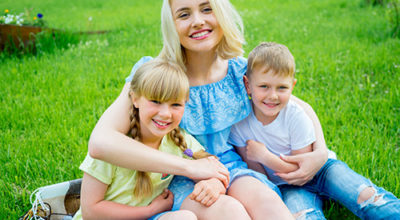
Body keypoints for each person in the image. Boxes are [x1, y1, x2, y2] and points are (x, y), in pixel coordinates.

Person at [88, 0, 328, 219]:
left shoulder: (240, 72)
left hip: (229, 167)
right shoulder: (157, 75)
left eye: (206, 9)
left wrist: (321, 152)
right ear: (171, 24)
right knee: (230, 213)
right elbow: (100, 142)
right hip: (173, 175)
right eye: (184, 14)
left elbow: (298, 106)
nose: (198, 21)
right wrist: (191, 167)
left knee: (268, 204)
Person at [229, 42, 400, 219]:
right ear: (248, 85)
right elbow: (261, 178)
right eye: (264, 86)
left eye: (282, 87)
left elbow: (301, 169)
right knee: (304, 216)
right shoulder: (240, 124)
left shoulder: (295, 116)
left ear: (292, 86)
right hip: (286, 186)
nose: (273, 95)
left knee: (369, 197)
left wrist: (264, 156)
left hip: (322, 171)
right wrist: (260, 161)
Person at [73, 59, 228, 220]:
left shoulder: (178, 140)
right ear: (135, 99)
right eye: (155, 101)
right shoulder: (114, 149)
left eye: (175, 104)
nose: (165, 114)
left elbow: (213, 166)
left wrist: (214, 183)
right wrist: (150, 210)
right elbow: (91, 211)